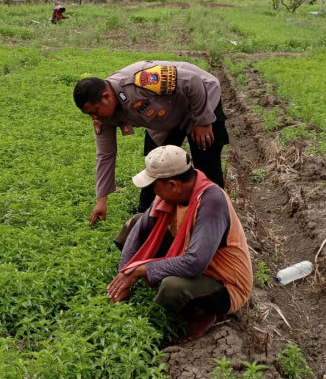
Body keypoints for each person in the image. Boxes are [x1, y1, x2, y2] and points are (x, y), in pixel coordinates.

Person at [107, 145, 252, 342]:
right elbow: (140, 228)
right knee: (133, 223)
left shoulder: (211, 202)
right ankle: (154, 280)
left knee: (172, 287)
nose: (153, 191)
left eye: (154, 185)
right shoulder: (170, 196)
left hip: (223, 282)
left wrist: (141, 270)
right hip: (190, 256)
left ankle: (203, 313)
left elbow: (194, 263)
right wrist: (124, 274)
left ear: (173, 185)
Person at [73, 61, 228, 226]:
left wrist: (203, 120)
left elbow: (193, 81)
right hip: (165, 115)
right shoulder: (102, 116)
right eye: (89, 114)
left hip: (200, 98)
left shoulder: (140, 81)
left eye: (95, 111)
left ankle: (217, 217)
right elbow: (105, 154)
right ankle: (145, 217)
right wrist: (101, 200)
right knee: (155, 164)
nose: (94, 117)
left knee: (206, 160)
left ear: (106, 97)